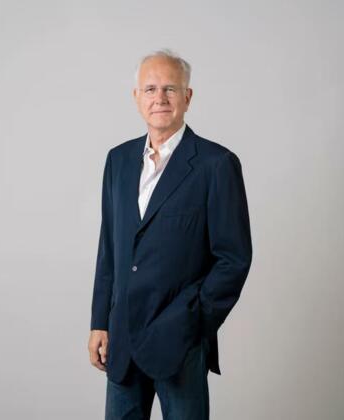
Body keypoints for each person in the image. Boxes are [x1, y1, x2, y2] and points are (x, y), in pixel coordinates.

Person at [88, 49, 253, 420]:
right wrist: (100, 321)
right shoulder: (118, 160)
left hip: (179, 342)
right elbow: (109, 248)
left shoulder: (216, 164)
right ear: (136, 98)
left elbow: (234, 258)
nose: (159, 98)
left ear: (187, 97)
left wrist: (193, 321)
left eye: (170, 89)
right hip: (122, 339)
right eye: (150, 89)